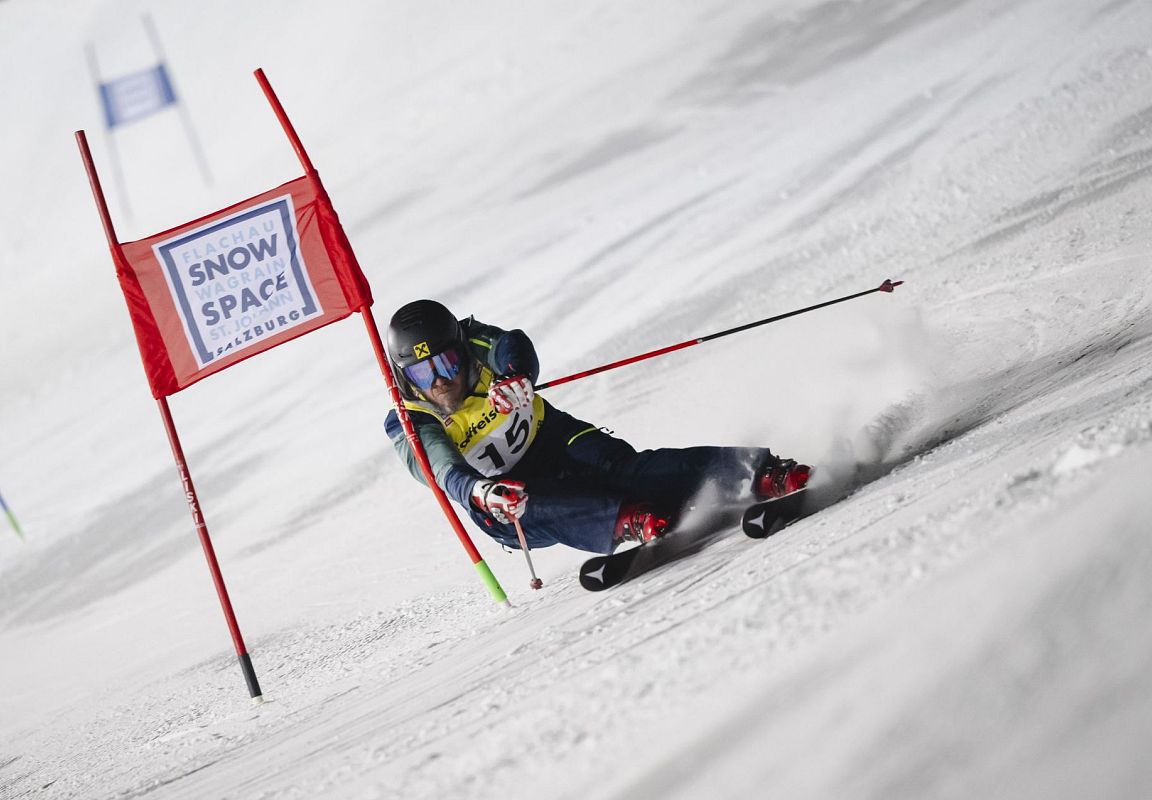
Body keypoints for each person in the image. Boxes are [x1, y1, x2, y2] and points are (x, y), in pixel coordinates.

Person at [383, 299, 809, 555]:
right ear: (406, 377)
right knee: (531, 503)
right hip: (504, 495)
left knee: (627, 470)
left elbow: (513, 344)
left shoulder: (475, 342)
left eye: (446, 363)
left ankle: (761, 472)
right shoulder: (409, 418)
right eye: (422, 374)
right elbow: (439, 466)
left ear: (460, 349)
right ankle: (628, 518)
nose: (439, 380)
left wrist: (516, 378)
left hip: (549, 438)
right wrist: (480, 491)